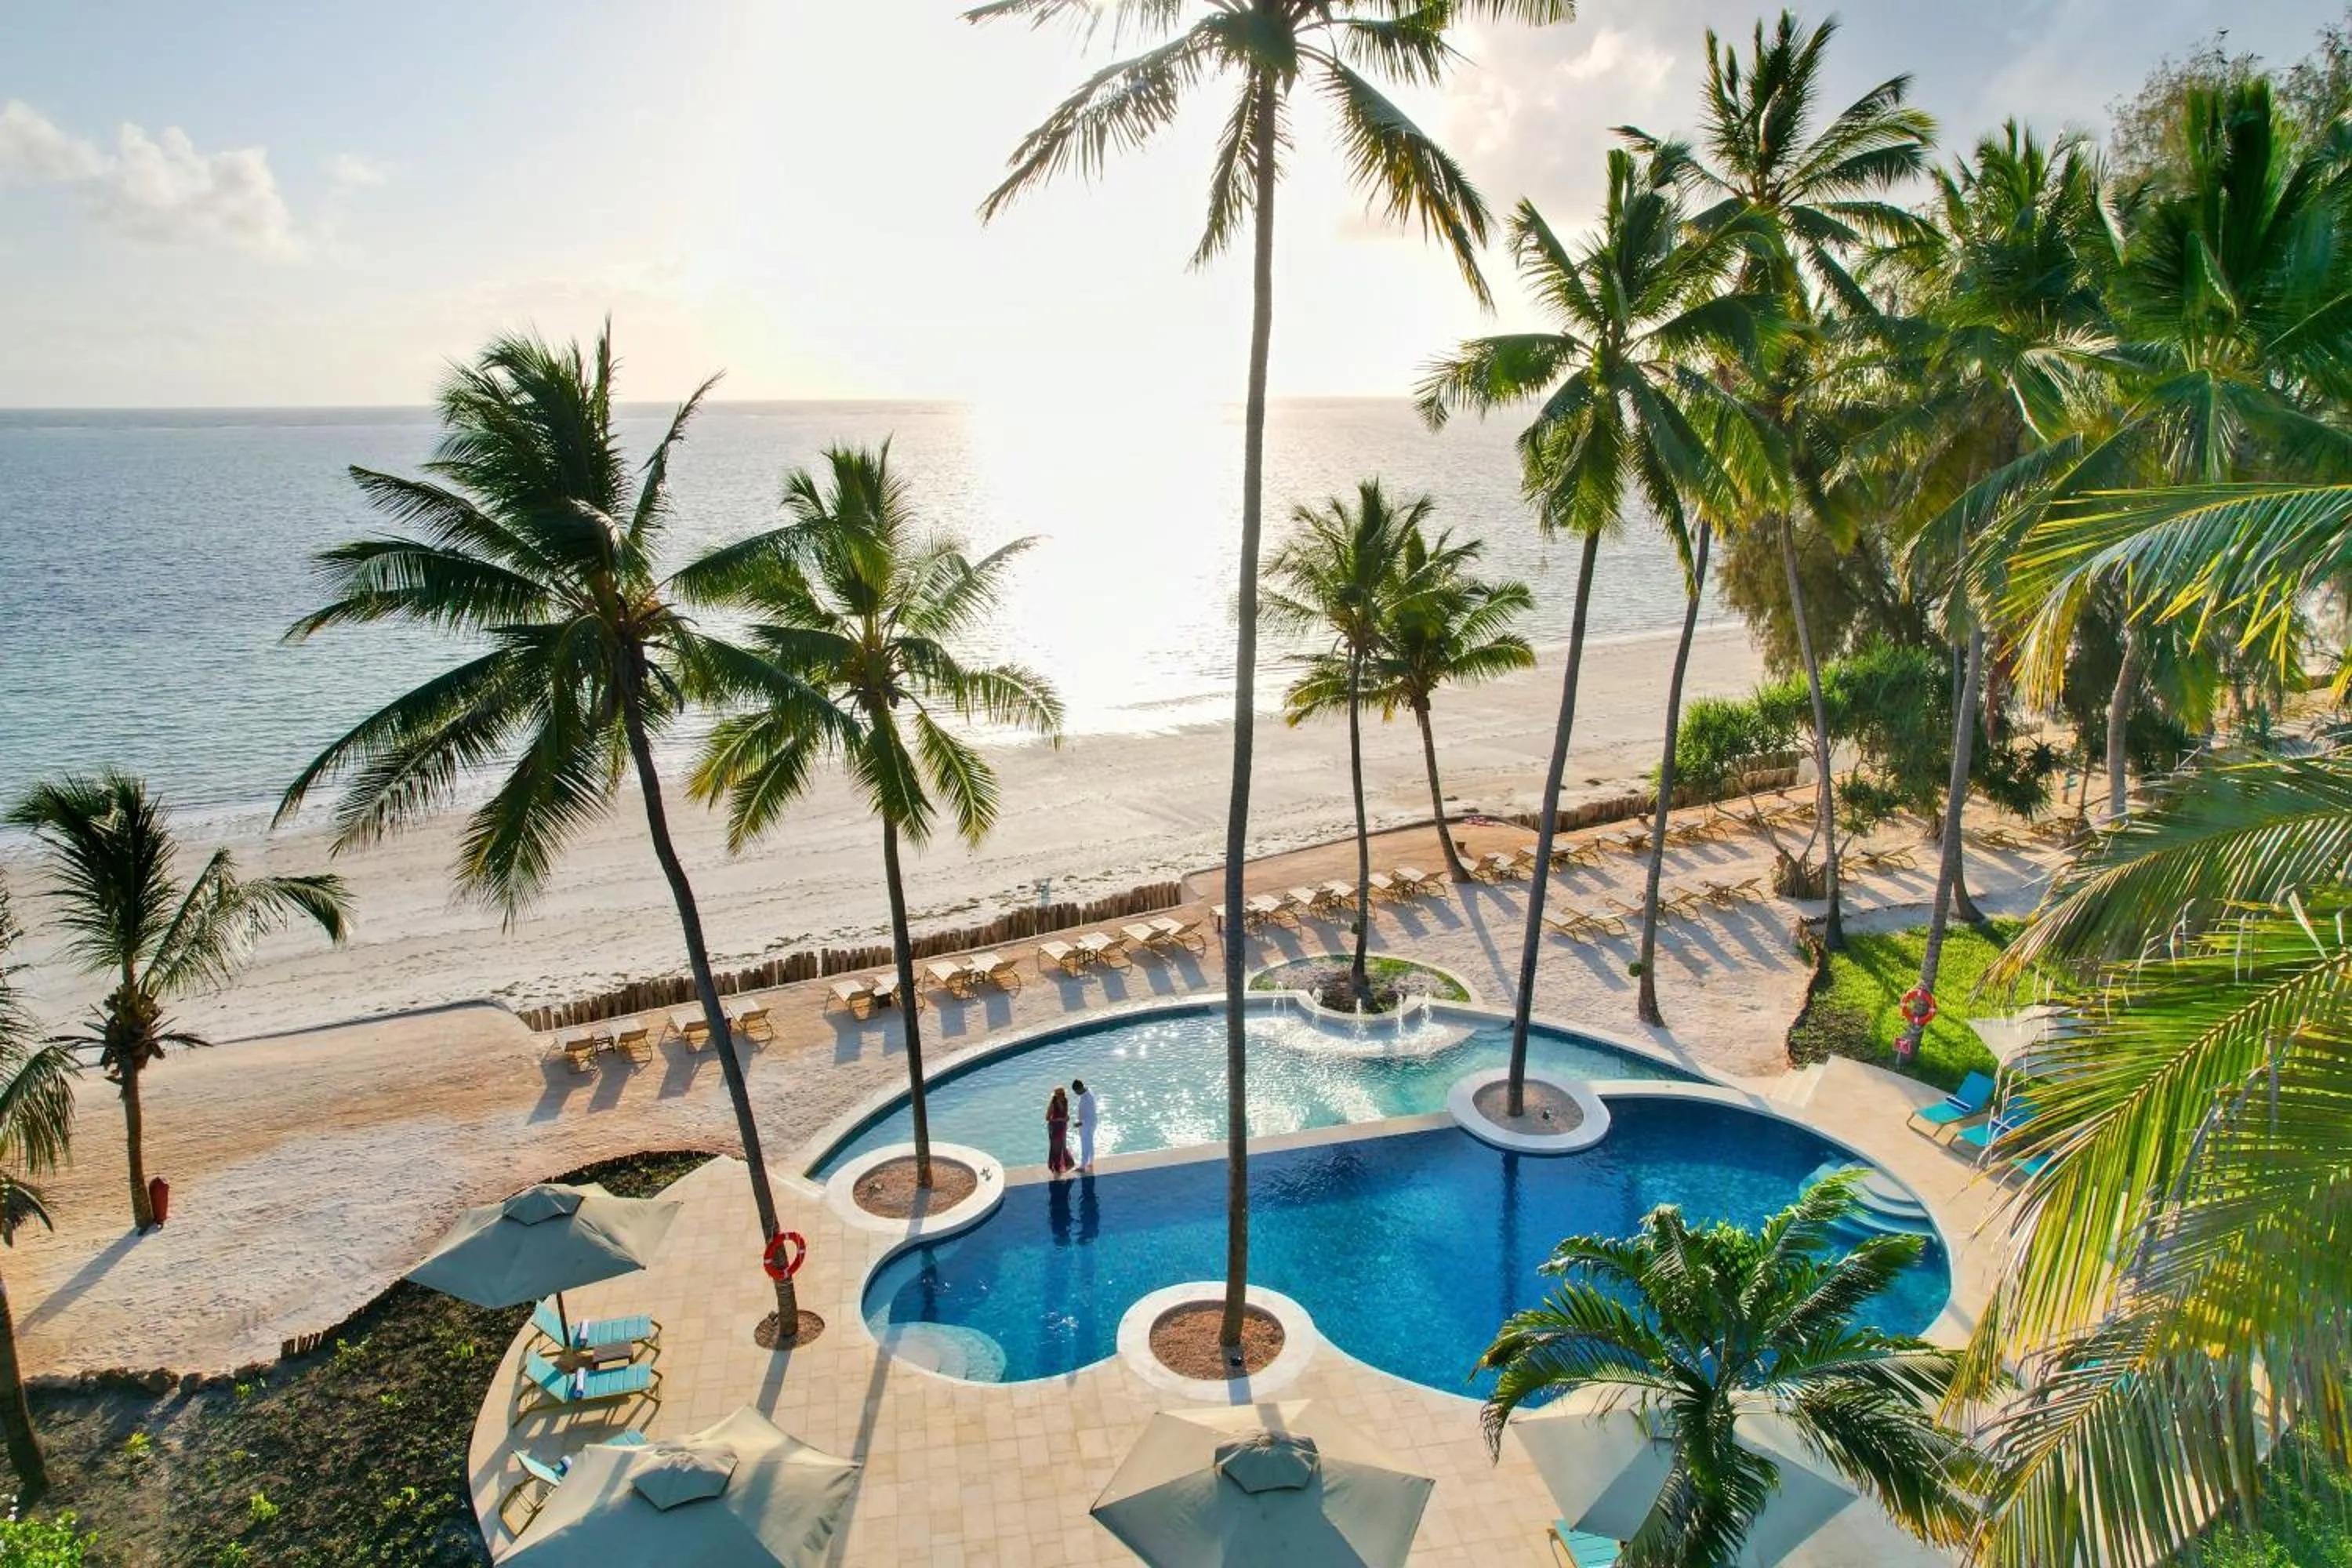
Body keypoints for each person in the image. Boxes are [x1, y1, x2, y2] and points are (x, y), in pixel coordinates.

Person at [1045, 1086, 1075, 1179]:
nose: (1062, 1096)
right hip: (1054, 1127)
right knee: (1056, 1147)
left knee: (1062, 1145)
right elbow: (1047, 1118)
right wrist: (1061, 1119)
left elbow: (1065, 1113)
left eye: (1063, 1094)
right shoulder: (1053, 1103)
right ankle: (1056, 1167)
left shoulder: (1065, 1101)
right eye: (1060, 1094)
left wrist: (1067, 1117)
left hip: (1063, 1126)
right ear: (1056, 1095)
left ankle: (1067, 1162)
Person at [1073, 1077, 1098, 1172]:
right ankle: (1091, 1161)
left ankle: (1083, 1166)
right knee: (1090, 1142)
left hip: (1087, 1125)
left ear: (1079, 1089)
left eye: (1076, 1091)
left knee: (1085, 1144)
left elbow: (1088, 1116)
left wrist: (1079, 1123)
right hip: (1091, 1123)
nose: (1075, 1093)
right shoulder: (1088, 1092)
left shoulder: (1086, 1099)